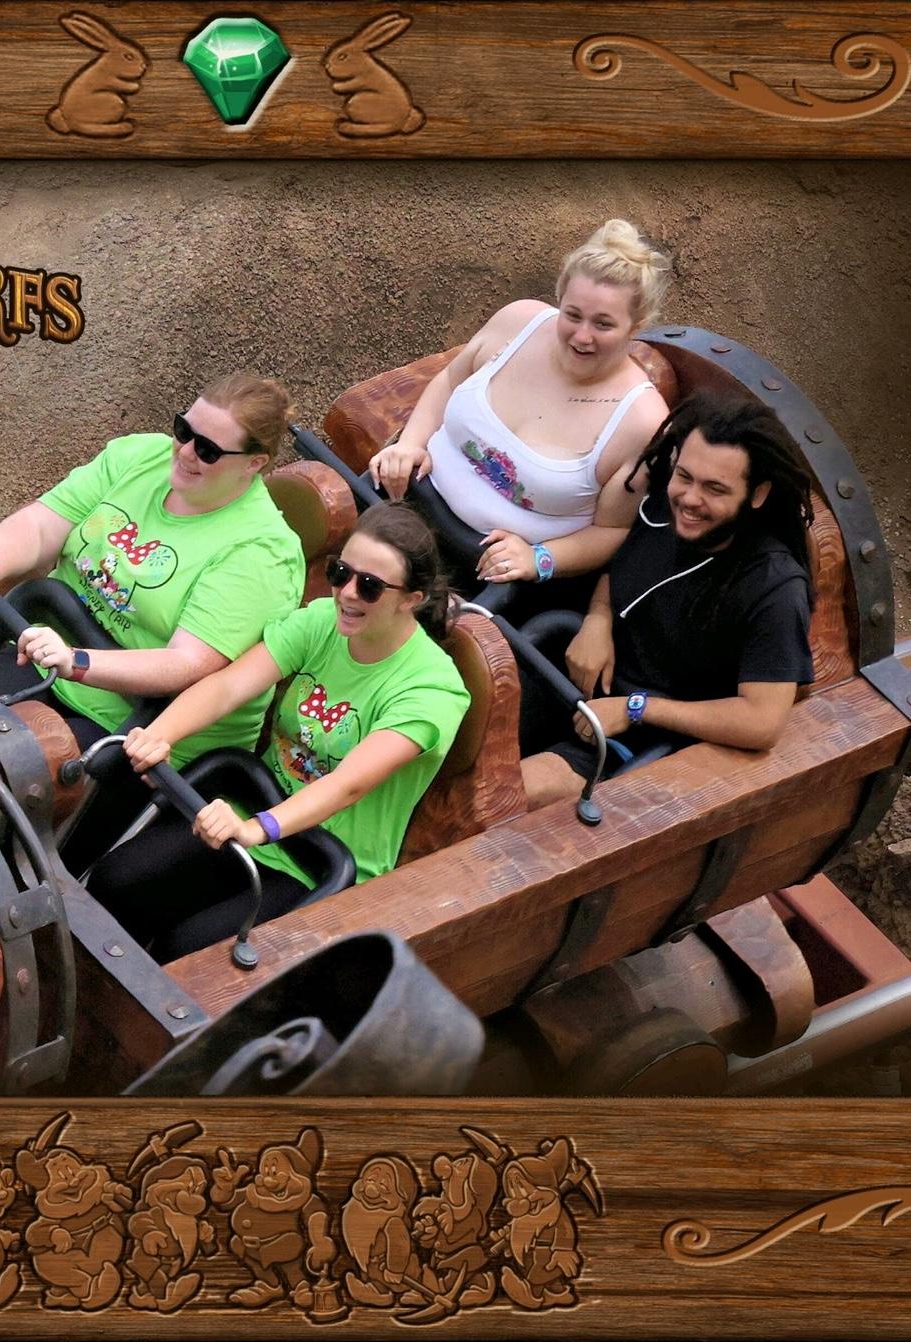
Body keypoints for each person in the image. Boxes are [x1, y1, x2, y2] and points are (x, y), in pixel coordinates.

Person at [87, 502, 470, 960]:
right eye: (340, 573)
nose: (347, 593)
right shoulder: (323, 622)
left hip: (318, 861)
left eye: (369, 586)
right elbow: (230, 686)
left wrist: (257, 829)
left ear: (412, 599)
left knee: (187, 951)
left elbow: (348, 784)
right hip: (251, 807)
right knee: (115, 882)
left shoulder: (432, 689)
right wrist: (160, 734)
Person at [0, 373, 307, 769]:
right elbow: (43, 524)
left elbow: (186, 663)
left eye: (208, 450)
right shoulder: (141, 456)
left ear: (254, 463)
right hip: (49, 664)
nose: (185, 452)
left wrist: (77, 661)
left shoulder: (264, 552)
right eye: (184, 431)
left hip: (138, 725)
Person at [521, 390, 815, 808]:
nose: (690, 499)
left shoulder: (775, 587)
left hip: (639, 742)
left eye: (715, 488)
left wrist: (637, 708)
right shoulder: (663, 504)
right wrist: (598, 618)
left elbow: (762, 721)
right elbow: (622, 568)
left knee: (505, 794)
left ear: (757, 493)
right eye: (685, 476)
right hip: (575, 680)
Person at [368, 219, 672, 596]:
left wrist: (539, 558)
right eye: (572, 315)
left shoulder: (642, 420)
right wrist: (410, 443)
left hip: (490, 579)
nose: (582, 336)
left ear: (635, 327)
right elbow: (449, 380)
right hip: (407, 504)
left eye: (603, 324)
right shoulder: (517, 321)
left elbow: (612, 531)